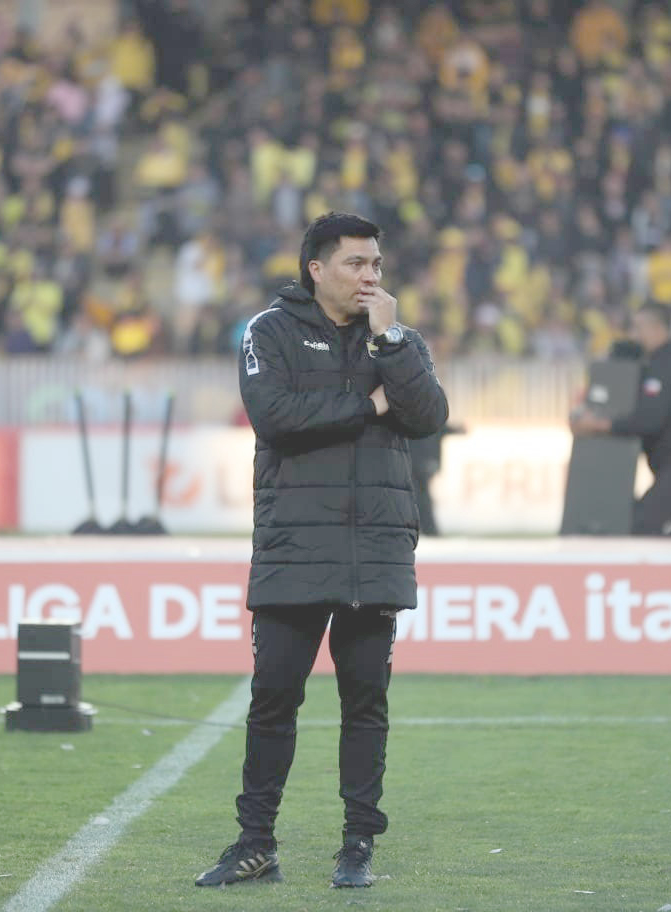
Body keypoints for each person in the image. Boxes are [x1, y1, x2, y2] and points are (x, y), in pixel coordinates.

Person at [196, 213, 448, 889]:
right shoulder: (270, 332)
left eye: (377, 265)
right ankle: (256, 844)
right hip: (295, 547)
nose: (370, 276)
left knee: (365, 705)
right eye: (356, 263)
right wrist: (369, 406)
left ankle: (357, 845)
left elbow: (428, 417)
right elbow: (277, 419)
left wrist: (390, 341)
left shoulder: (398, 339)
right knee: (273, 699)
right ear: (316, 268)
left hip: (374, 551)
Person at [570, 303, 671, 534]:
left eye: (638, 327)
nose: (634, 335)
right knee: (639, 520)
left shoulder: (667, 365)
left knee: (640, 525)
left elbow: (648, 420)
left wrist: (598, 424)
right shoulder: (670, 360)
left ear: (657, 328)